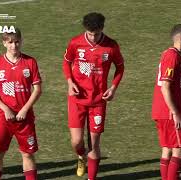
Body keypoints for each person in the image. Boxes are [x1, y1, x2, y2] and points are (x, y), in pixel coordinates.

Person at [62, 12, 124, 179]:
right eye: (90, 34)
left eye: (96, 34)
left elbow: (120, 67)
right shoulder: (75, 43)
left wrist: (113, 87)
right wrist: (70, 82)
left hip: (98, 101)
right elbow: (67, 62)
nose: (93, 37)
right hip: (77, 99)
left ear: (102, 29)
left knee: (94, 144)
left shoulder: (111, 45)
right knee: (76, 142)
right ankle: (81, 156)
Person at [0, 28, 42, 180]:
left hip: (25, 118)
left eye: (17, 42)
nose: (14, 46)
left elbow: (37, 89)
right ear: (4, 43)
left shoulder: (30, 62)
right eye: (10, 42)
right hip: (4, 118)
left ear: (21, 41)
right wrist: (5, 109)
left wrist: (24, 109)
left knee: (28, 154)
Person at [152, 24, 181, 180]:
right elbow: (165, 87)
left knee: (167, 149)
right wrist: (175, 113)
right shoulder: (173, 56)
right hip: (169, 112)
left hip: (161, 110)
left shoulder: (170, 54)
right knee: (179, 150)